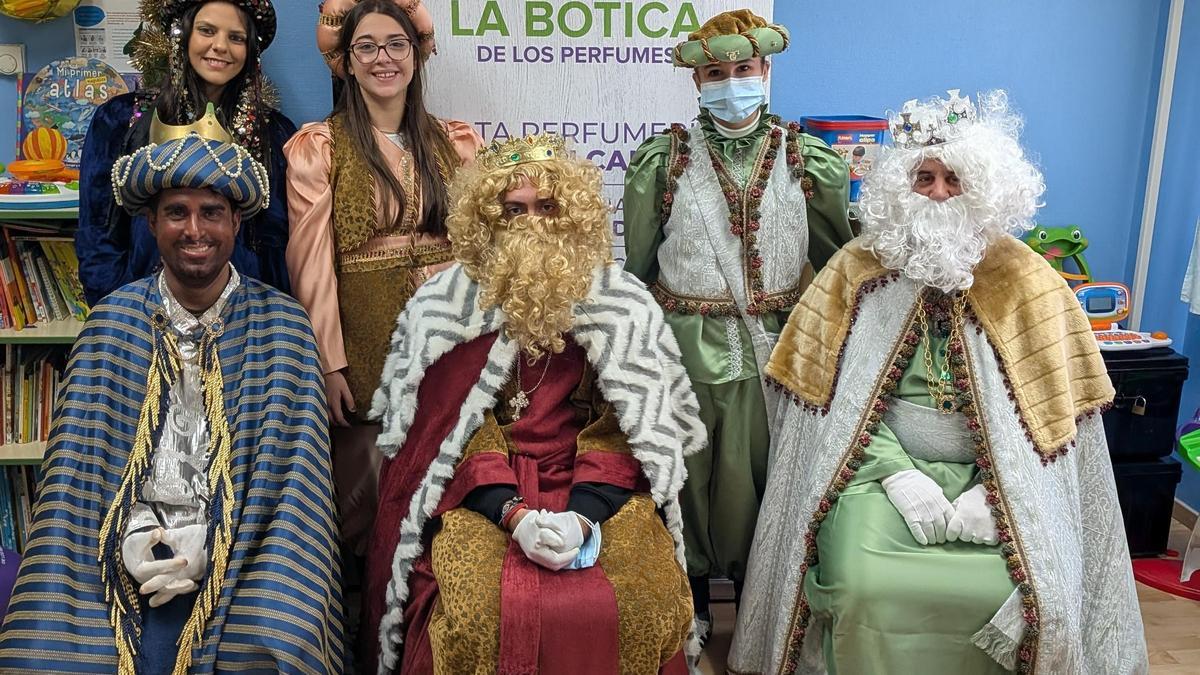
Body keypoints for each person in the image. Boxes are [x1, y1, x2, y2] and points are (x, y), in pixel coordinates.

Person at [729, 91, 1149, 674]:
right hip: (874, 473)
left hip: (998, 478)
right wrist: (894, 473)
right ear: (899, 188)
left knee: (1021, 590)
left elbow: (1052, 421)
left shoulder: (1029, 281)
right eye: (924, 178)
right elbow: (826, 406)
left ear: (985, 188)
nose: (939, 193)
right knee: (861, 584)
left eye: (954, 179)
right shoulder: (855, 271)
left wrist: (996, 487)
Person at [0, 108, 344, 673]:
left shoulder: (283, 326)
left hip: (247, 558)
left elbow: (294, 487)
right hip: (111, 559)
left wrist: (215, 544)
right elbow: (72, 483)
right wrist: (128, 539)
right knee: (48, 651)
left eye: (211, 212)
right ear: (152, 224)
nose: (194, 230)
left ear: (236, 221)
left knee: (276, 641)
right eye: (176, 213)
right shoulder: (111, 324)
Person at [363, 134, 700, 674]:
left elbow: (626, 432)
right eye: (513, 210)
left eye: (547, 208)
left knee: (641, 598)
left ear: (573, 214)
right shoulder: (440, 308)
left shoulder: (623, 305)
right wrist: (513, 514)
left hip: (594, 488)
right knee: (478, 608)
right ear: (486, 220)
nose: (532, 223)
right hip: (481, 491)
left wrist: (582, 520)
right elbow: (444, 437)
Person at [622, 8, 854, 634]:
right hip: (682, 347)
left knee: (766, 474)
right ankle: (690, 604)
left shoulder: (808, 161)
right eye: (717, 72)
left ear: (766, 70)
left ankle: (759, 606)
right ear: (697, 81)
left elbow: (839, 263)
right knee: (688, 475)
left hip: (777, 348)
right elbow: (638, 268)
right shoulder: (661, 162)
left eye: (743, 69)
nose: (731, 82)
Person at [286, 0, 481, 558]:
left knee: (450, 476)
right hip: (368, 338)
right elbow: (311, 261)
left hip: (451, 334)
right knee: (368, 490)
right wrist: (330, 361)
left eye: (396, 44)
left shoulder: (456, 142)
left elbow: (481, 247)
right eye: (365, 47)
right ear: (346, 61)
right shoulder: (320, 147)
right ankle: (368, 628)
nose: (382, 59)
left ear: (417, 56)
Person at [76, 0, 297, 305]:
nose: (220, 46)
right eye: (207, 31)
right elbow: (97, 231)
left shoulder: (275, 133)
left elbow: (279, 241)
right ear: (184, 34)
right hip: (142, 311)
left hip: (245, 319)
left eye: (236, 37)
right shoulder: (120, 120)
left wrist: (267, 319)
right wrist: (115, 309)